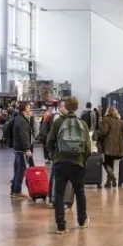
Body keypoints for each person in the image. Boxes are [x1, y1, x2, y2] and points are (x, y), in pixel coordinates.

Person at [46, 96, 91, 234]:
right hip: (77, 163)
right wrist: (82, 159)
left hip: (61, 162)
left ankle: (61, 225)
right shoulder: (82, 124)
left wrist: (56, 156)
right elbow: (88, 147)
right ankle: (82, 220)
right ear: (76, 108)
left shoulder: (58, 122)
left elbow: (49, 142)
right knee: (79, 192)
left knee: (59, 194)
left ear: (65, 106)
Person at [97, 106, 123, 188]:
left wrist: (98, 134)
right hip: (118, 147)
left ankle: (113, 178)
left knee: (106, 163)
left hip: (108, 146)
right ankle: (108, 182)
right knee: (111, 163)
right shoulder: (120, 121)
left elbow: (104, 131)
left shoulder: (106, 120)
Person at [10, 102, 33, 199]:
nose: (30, 108)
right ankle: (17, 191)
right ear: (24, 108)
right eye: (28, 106)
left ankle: (13, 190)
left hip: (17, 147)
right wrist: (27, 149)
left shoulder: (17, 118)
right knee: (21, 169)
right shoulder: (22, 121)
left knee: (17, 169)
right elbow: (24, 136)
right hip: (21, 149)